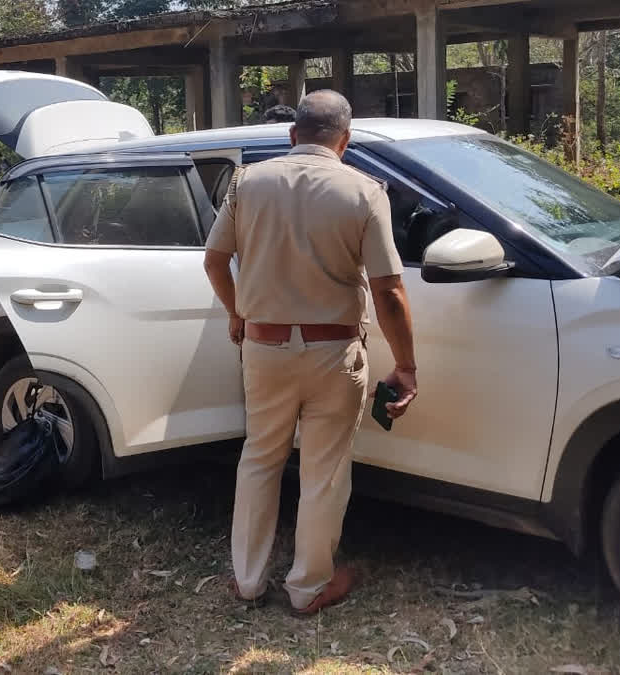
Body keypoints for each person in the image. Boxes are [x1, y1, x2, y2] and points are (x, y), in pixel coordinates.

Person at [203, 90, 418, 613]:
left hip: (263, 345)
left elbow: (214, 262)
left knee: (259, 459)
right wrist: (406, 366)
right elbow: (388, 290)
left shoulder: (247, 181)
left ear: (293, 134)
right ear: (345, 141)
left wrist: (238, 313)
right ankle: (308, 588)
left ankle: (249, 581)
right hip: (333, 352)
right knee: (324, 471)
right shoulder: (365, 191)